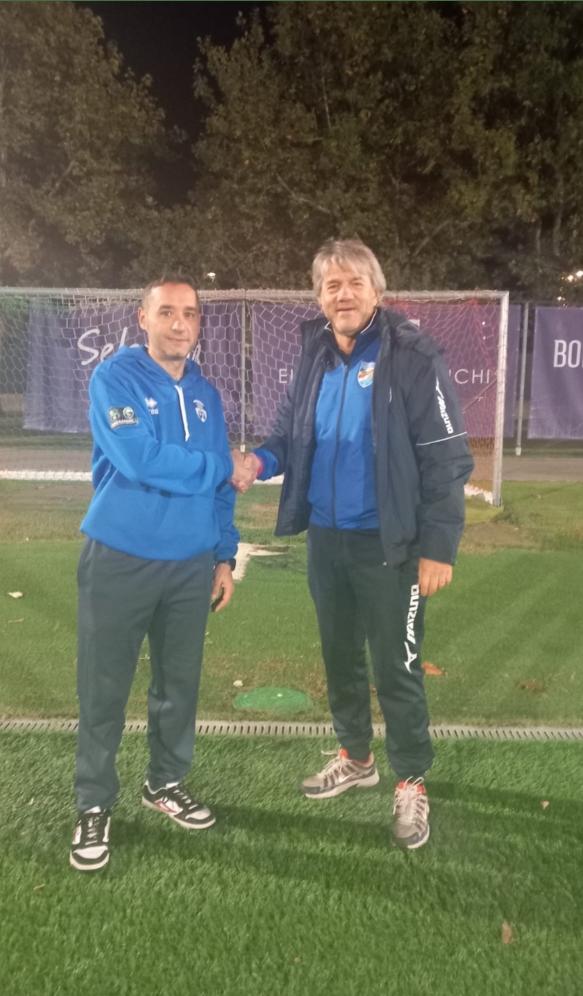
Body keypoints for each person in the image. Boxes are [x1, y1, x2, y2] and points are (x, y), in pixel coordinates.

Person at [231, 240, 474, 849]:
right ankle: (357, 757)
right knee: (340, 656)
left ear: (377, 291)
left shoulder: (413, 355)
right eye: (331, 285)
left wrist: (439, 545)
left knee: (397, 666)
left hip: (393, 544)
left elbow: (447, 457)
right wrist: (258, 461)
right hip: (327, 540)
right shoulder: (314, 354)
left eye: (354, 283)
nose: (343, 294)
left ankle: (411, 780)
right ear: (319, 297)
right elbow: (289, 435)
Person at [70, 275, 240, 872]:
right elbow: (139, 459)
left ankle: (165, 782)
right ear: (143, 319)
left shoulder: (206, 393)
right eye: (166, 312)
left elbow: (222, 490)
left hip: (191, 566)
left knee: (178, 686)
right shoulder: (114, 378)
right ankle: (94, 802)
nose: (179, 323)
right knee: (104, 687)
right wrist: (223, 464)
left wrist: (224, 554)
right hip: (121, 558)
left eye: (189, 313)